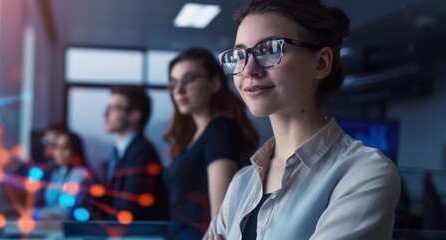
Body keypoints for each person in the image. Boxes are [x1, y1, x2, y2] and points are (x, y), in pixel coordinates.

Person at [207, 0, 401, 239]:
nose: (248, 70)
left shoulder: (365, 172)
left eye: (269, 50)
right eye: (240, 54)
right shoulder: (242, 182)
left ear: (321, 63)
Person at [163, 47, 260, 239]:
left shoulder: (219, 130)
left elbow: (219, 221)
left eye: (189, 79)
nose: (179, 90)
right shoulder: (192, 138)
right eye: (173, 83)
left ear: (214, 84)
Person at [95, 86, 170, 221]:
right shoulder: (118, 152)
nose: (105, 114)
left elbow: (129, 209)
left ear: (134, 115)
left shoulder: (142, 153)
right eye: (108, 108)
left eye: (114, 108)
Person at [33, 128, 94, 220]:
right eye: (56, 147)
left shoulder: (81, 174)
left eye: (65, 148)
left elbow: (64, 211)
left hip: (74, 230)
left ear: (75, 150)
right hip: (53, 229)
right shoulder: (58, 172)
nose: (59, 152)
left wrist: (33, 213)